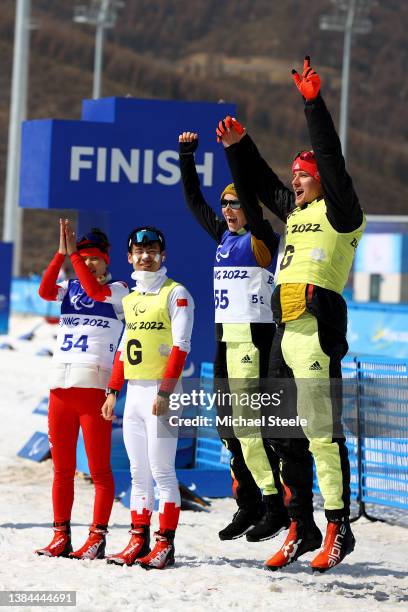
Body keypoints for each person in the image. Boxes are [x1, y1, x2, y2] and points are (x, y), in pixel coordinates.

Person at [217, 57, 366, 573]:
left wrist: (312, 103)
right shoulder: (298, 211)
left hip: (317, 332)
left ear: (323, 180)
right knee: (283, 433)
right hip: (284, 334)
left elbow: (331, 155)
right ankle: (300, 525)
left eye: (304, 175)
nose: (296, 182)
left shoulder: (340, 211)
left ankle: (337, 528)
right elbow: (260, 183)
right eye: (296, 176)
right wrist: (240, 148)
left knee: (323, 432)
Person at [178, 132, 289, 542]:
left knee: (249, 427)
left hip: (253, 341)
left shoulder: (260, 240)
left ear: (250, 207)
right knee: (227, 427)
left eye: (235, 203)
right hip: (226, 340)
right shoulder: (224, 237)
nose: (226, 210)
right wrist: (186, 156)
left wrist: (234, 154)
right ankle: (249, 504)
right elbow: (194, 203)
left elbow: (252, 204)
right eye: (224, 204)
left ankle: (274, 503)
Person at [101, 227, 194, 569]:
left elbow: (182, 347)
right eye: (139, 251)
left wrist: (167, 392)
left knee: (162, 472)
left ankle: (165, 545)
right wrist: (113, 392)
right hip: (135, 394)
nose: (146, 256)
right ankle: (138, 540)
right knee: (138, 472)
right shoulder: (130, 298)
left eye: (152, 250)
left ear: (163, 254)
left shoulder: (177, 293)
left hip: (161, 392)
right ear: (129, 257)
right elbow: (124, 350)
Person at [36, 219, 128, 560]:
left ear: (106, 260)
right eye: (84, 257)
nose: (88, 263)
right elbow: (45, 292)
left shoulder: (119, 290)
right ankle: (61, 535)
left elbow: (95, 292)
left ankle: (98, 536)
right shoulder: (69, 286)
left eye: (94, 258)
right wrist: (61, 255)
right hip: (61, 388)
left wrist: (74, 256)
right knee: (61, 470)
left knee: (99, 470)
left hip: (94, 391)